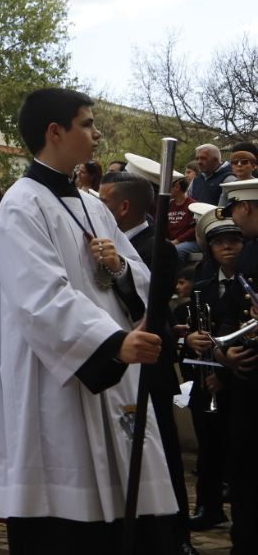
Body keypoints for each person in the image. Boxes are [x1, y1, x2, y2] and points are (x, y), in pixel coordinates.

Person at [0, 89, 178, 553]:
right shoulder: (20, 208)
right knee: (70, 530)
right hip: (57, 385)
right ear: (55, 132)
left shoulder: (92, 205)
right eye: (87, 123)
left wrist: (122, 272)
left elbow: (139, 276)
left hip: (112, 375)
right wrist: (112, 344)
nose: (96, 133)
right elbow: (39, 298)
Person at [98, 168, 193, 553]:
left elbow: (150, 303)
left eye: (103, 202)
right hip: (118, 360)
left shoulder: (159, 246)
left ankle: (177, 536)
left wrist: (120, 266)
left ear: (122, 206)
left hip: (149, 364)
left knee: (163, 452)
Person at [181, 209, 243, 533]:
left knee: (237, 447)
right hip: (203, 379)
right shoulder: (202, 286)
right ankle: (209, 507)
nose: (228, 248)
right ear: (211, 249)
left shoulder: (249, 284)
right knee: (208, 445)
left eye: (234, 241)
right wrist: (189, 338)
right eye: (220, 243)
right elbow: (192, 329)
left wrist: (224, 374)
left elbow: (245, 335)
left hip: (235, 380)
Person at [216, 177, 258, 553]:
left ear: (244, 207)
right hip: (247, 378)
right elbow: (231, 309)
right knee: (245, 470)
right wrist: (223, 350)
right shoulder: (248, 252)